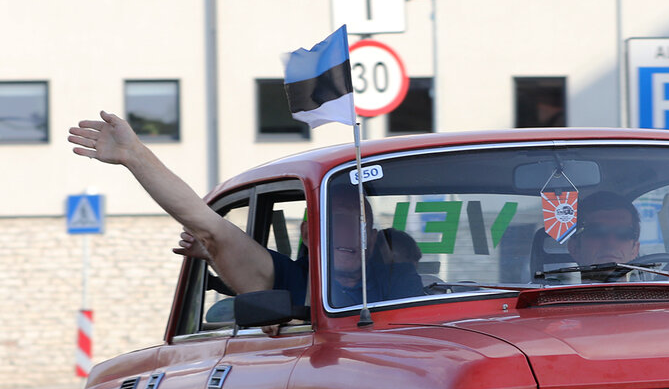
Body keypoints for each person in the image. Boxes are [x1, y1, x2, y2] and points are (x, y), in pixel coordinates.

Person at [68, 111, 423, 311]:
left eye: (361, 224)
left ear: (374, 239)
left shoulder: (398, 282)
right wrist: (135, 156)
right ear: (309, 234)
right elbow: (207, 224)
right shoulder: (289, 280)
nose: (349, 233)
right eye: (338, 222)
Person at [565, 191, 641, 273]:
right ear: (575, 248)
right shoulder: (550, 285)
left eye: (623, 233)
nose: (611, 242)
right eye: (597, 232)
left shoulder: (654, 285)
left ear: (635, 250)